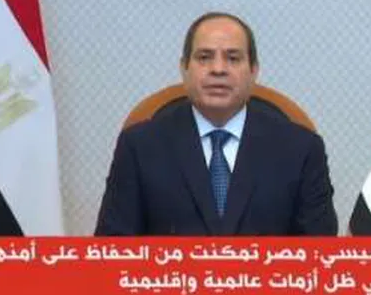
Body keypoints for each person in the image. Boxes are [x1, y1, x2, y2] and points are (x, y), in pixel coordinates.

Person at [94, 12, 338, 236]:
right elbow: (113, 249)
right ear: (184, 68)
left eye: (233, 58)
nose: (218, 69)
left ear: (254, 71)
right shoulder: (140, 147)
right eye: (204, 57)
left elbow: (319, 252)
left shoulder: (301, 150)